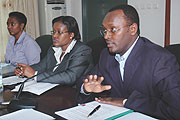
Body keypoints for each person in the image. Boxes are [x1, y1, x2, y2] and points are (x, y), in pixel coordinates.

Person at [78, 4, 180, 120]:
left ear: (132, 29)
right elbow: (85, 80)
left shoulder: (160, 59)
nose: (106, 36)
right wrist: (86, 89)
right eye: (105, 30)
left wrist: (127, 102)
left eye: (113, 29)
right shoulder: (106, 55)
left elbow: (175, 109)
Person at [15, 16, 93, 85]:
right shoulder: (54, 49)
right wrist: (24, 70)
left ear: (71, 35)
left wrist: (34, 75)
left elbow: (70, 77)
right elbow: (41, 66)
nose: (54, 36)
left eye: (59, 32)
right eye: (53, 32)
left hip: (72, 93)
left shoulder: (83, 51)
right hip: (52, 89)